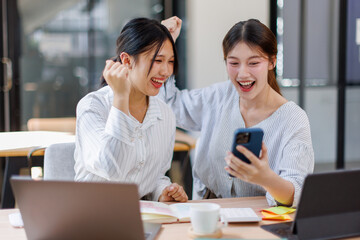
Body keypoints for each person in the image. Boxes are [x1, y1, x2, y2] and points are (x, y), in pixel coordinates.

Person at [160, 17, 314, 206]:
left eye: (253, 63)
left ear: (272, 62)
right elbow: (169, 105)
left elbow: (297, 193)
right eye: (233, 63)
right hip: (209, 214)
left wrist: (266, 178)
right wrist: (164, 44)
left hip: (262, 220)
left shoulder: (293, 119)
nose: (242, 74)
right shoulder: (218, 96)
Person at [74, 17, 188, 202]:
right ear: (126, 60)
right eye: (158, 60)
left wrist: (162, 192)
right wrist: (121, 97)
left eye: (170, 61)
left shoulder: (164, 114)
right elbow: (112, 168)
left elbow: (156, 174)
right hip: (91, 218)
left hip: (140, 215)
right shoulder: (93, 106)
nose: (166, 71)